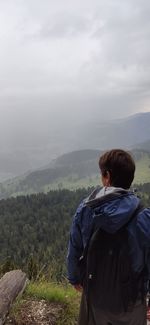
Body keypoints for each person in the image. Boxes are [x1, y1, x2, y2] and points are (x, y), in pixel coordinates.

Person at [67, 149, 150, 325]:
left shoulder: (86, 209)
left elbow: (75, 247)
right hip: (132, 300)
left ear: (107, 176)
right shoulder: (144, 216)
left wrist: (74, 277)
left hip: (96, 295)